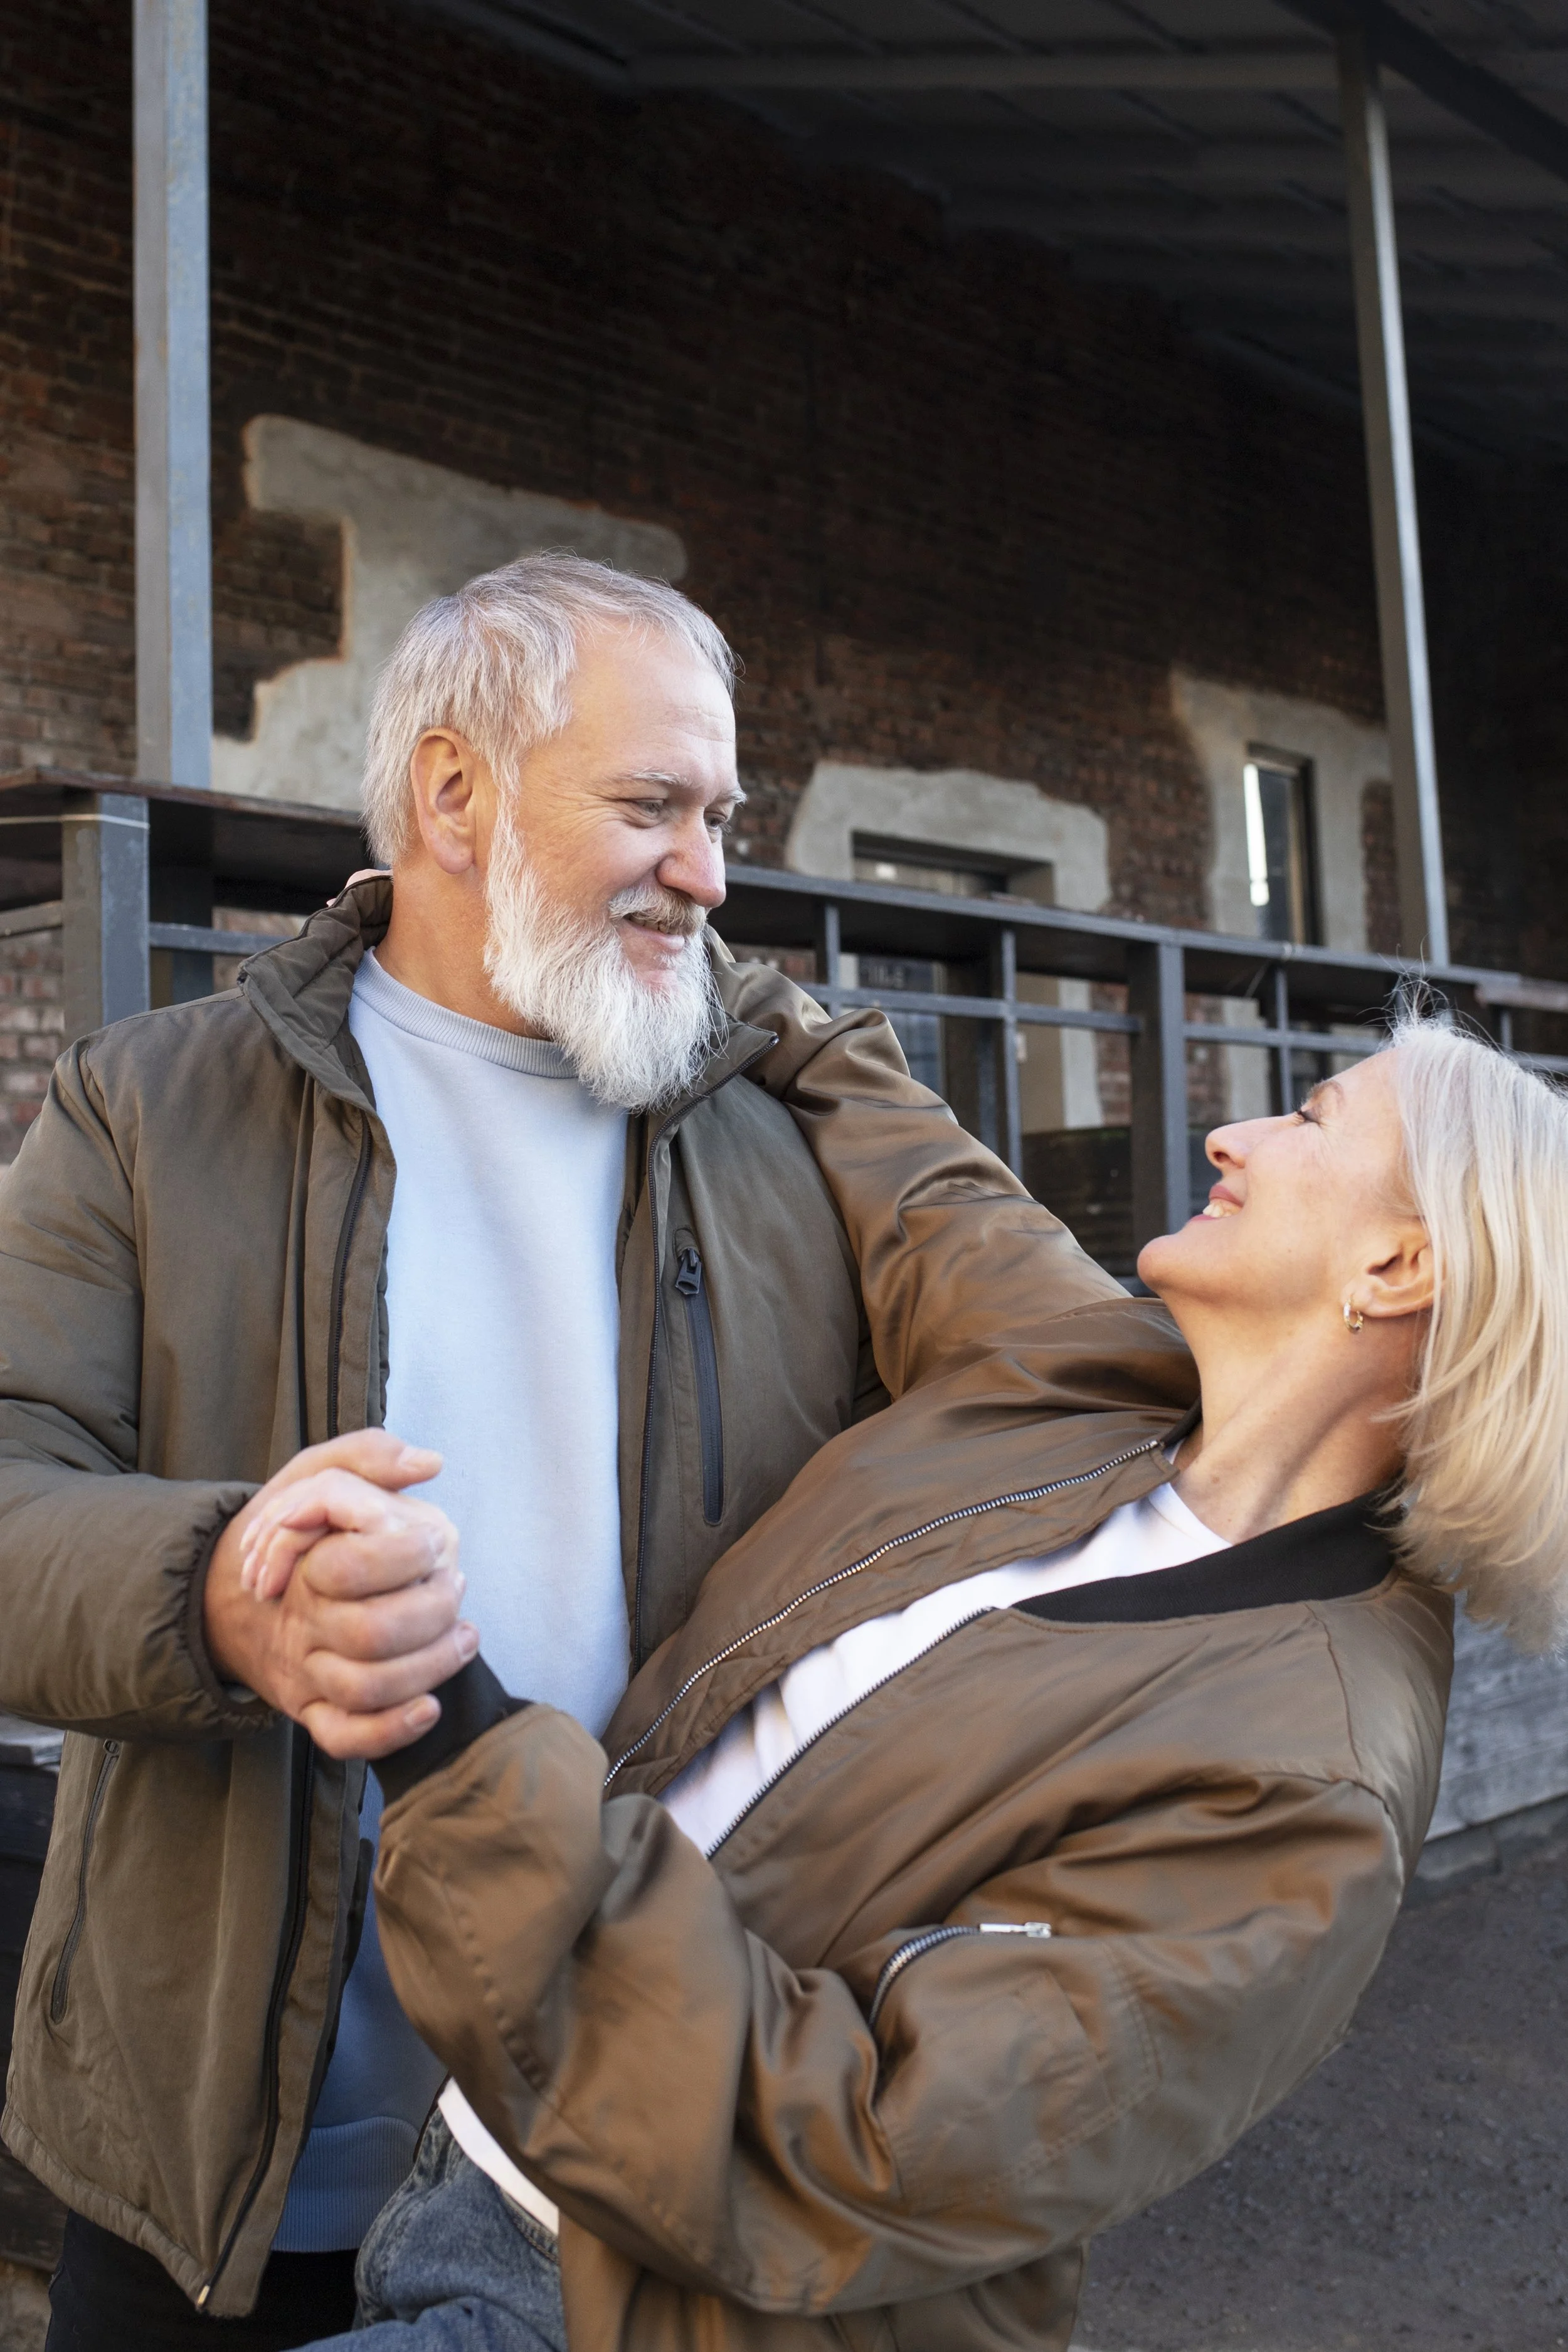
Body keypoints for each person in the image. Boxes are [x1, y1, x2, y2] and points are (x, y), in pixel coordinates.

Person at [0, 557, 1111, 2351]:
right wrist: (220, 1591)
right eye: (653, 805)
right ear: (452, 792)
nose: (711, 869)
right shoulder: (147, 1102)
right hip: (217, 2175)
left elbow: (1056, 1402)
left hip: (630, 2149)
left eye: (720, 814)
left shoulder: (788, 1133)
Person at [269, 1014, 1568, 2352]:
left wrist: (453, 1731)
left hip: (644, 2304)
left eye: (1308, 1117)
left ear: (1396, 1263)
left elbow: (856, 2134)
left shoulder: (1305, 1780)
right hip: (475, 2158)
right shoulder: (1091, 1381)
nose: (1231, 1134)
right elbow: (936, 1193)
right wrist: (725, 990)